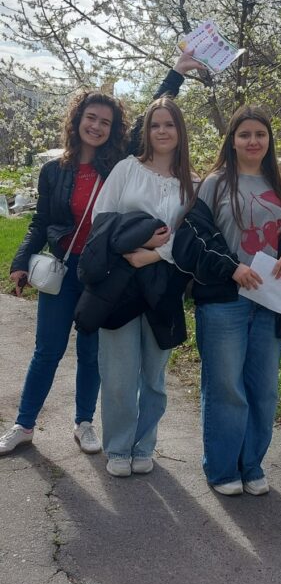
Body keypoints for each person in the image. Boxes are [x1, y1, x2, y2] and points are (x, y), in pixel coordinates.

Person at [172, 104, 281, 497]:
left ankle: (252, 465)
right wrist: (231, 267)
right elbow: (194, 236)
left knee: (264, 389)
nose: (253, 141)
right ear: (232, 140)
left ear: (269, 140)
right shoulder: (214, 184)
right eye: (245, 134)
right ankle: (222, 468)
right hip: (224, 301)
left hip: (269, 300)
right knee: (226, 386)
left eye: (260, 134)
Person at [0, 90, 128, 456]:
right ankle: (24, 425)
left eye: (105, 122)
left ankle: (84, 422)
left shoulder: (119, 168)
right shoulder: (53, 171)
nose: (97, 126)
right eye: (91, 118)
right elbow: (40, 222)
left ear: (114, 129)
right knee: (47, 350)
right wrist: (21, 262)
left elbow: (153, 118)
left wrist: (177, 73)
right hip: (63, 269)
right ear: (77, 120)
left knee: (90, 352)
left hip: (101, 274)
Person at [85, 94, 198, 477]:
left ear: (180, 131)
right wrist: (139, 240)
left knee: (154, 376)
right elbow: (101, 220)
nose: (162, 131)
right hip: (120, 284)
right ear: (146, 131)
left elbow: (192, 240)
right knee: (118, 374)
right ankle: (118, 447)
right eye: (155, 125)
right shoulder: (126, 169)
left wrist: (155, 254)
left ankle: (144, 444)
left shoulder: (193, 184)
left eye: (169, 124)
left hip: (163, 288)